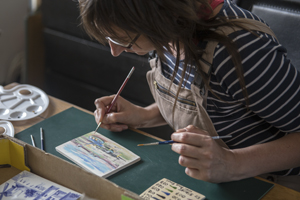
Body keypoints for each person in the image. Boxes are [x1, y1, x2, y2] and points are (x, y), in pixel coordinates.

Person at [78, 0, 300, 191]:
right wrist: (144, 115)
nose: (114, 52)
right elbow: (214, 101)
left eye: (123, 40)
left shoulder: (239, 50)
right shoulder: (165, 33)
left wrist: (232, 164)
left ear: (158, 16)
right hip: (218, 179)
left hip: (273, 184)